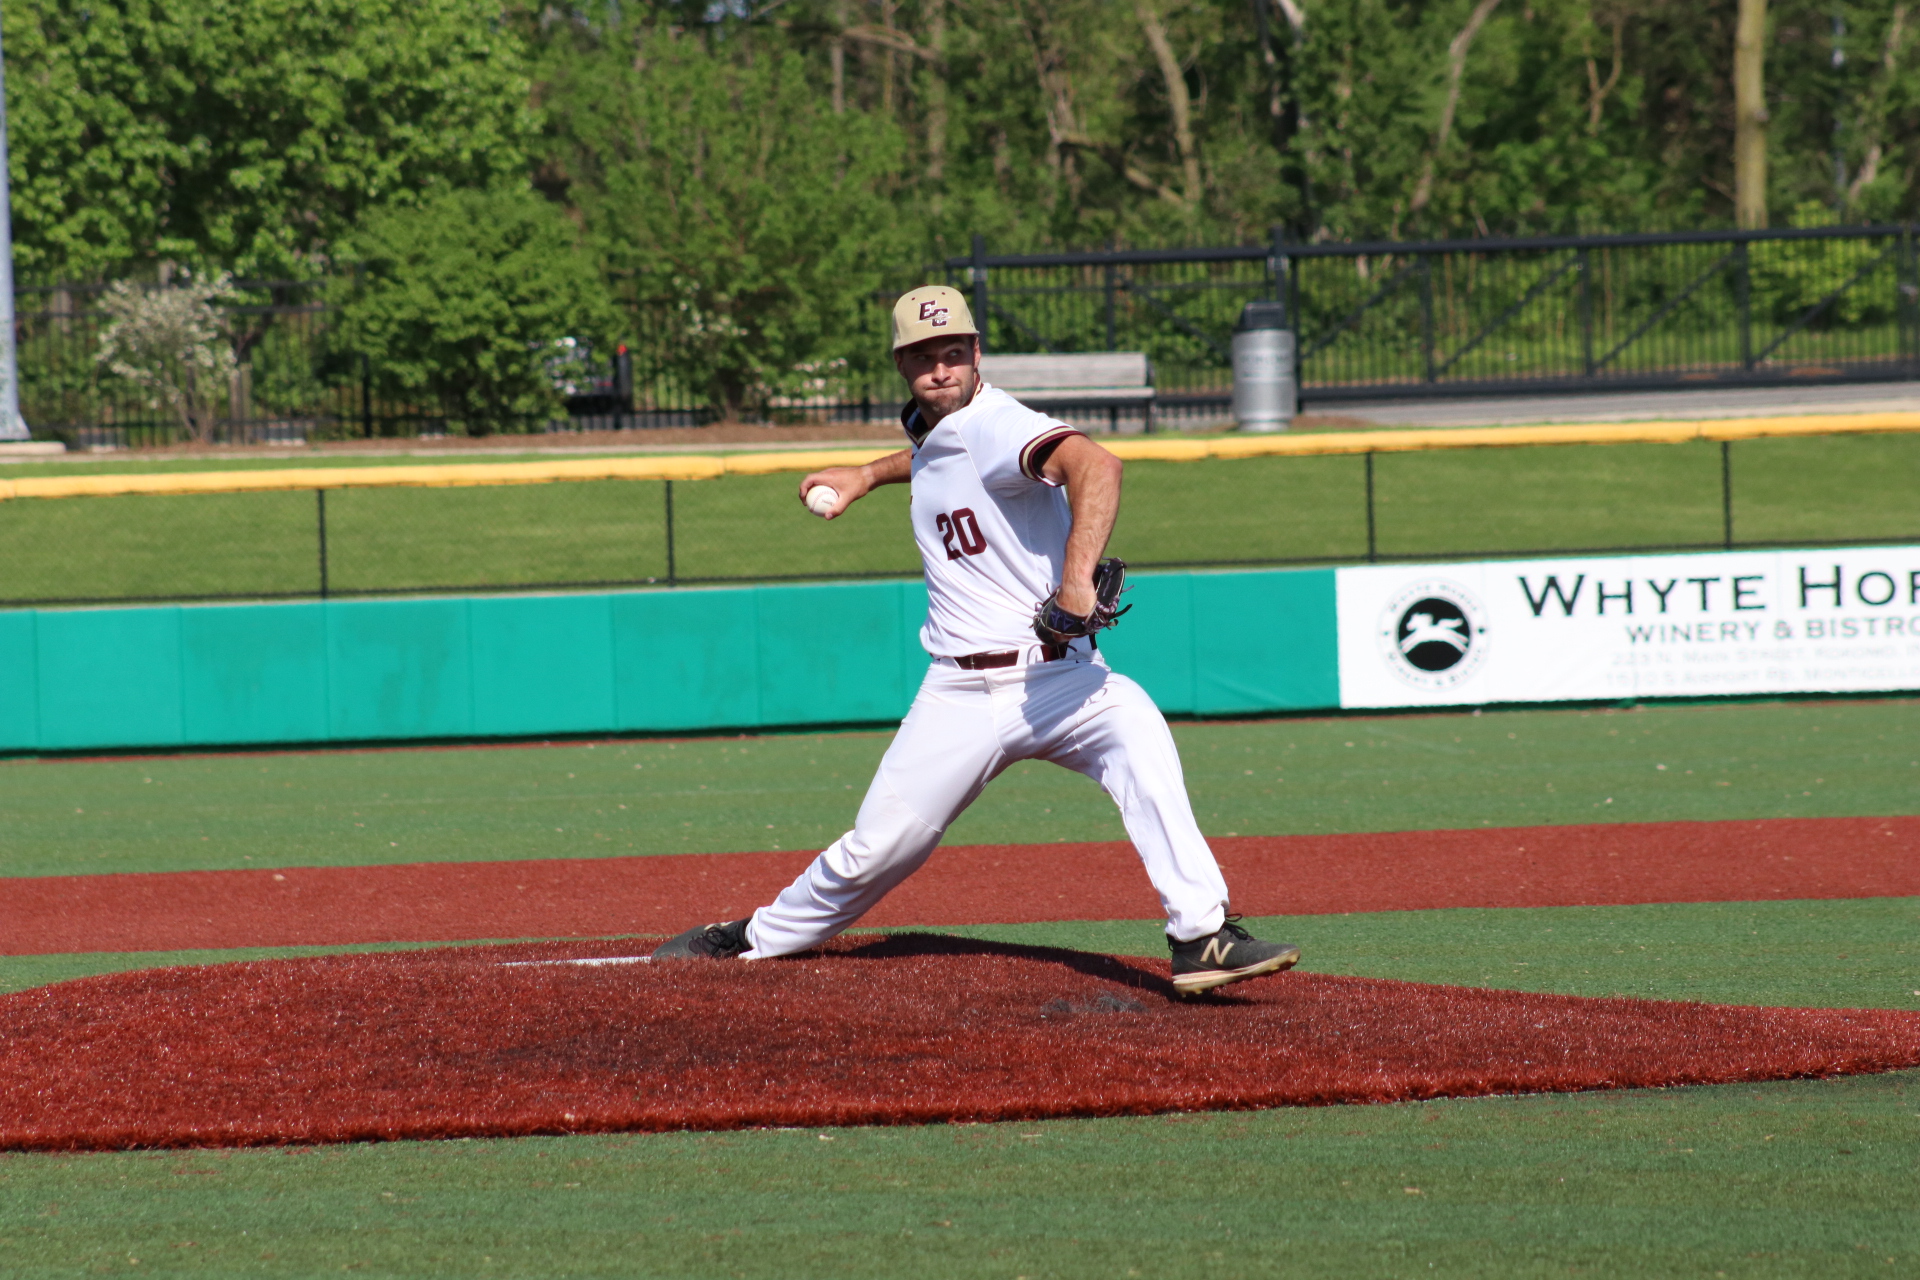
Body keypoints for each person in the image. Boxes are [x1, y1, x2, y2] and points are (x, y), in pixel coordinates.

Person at [652, 285, 1299, 996]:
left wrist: (1076, 580)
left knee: (1140, 740)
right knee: (877, 852)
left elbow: (1097, 466)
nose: (941, 369)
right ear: (903, 364)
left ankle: (1200, 935)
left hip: (1062, 680)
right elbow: (935, 455)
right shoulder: (939, 433)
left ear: (977, 353)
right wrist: (868, 474)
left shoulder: (995, 422)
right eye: (925, 357)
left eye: (954, 353)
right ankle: (757, 939)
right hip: (960, 692)